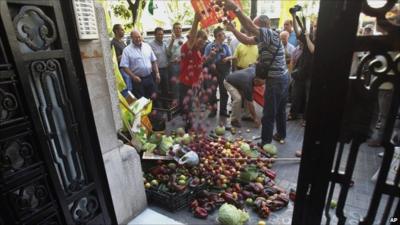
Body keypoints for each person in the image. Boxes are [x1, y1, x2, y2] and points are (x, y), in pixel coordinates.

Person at [223, 0, 289, 145]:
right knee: (281, 110)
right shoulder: (265, 38)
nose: (252, 29)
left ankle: (265, 143)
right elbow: (246, 39)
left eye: (256, 26)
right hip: (283, 77)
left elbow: (249, 26)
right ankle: (281, 134)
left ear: (264, 26)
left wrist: (235, 8)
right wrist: (234, 30)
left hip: (276, 80)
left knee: (269, 113)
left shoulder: (270, 34)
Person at [179, 13, 208, 131]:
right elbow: (191, 38)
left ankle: (188, 125)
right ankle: (188, 129)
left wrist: (200, 76)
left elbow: (199, 65)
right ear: (195, 38)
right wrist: (196, 20)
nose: (203, 44)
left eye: (204, 42)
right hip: (186, 83)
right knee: (187, 107)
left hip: (194, 84)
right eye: (201, 41)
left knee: (190, 106)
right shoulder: (187, 47)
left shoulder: (198, 51)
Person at [120, 30, 160, 99]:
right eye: (135, 37)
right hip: (138, 80)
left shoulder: (147, 46)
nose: (138, 39)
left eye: (139, 37)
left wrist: (157, 73)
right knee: (142, 100)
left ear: (141, 36)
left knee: (153, 97)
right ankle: (147, 110)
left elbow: (154, 60)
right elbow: (124, 66)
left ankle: (154, 109)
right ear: (131, 38)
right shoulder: (127, 50)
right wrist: (133, 76)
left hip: (149, 77)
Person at [204, 26, 232, 118]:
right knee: (212, 92)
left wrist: (228, 58)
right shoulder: (209, 46)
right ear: (217, 36)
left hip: (224, 72)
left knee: (224, 91)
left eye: (224, 34)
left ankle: (223, 111)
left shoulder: (226, 46)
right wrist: (211, 58)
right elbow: (205, 60)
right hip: (212, 72)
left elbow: (230, 57)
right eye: (222, 34)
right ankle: (213, 110)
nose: (224, 36)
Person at [149, 27, 170, 105]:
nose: (161, 36)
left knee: (166, 88)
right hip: (156, 71)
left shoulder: (164, 44)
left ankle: (165, 104)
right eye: (159, 34)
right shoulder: (150, 45)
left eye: (162, 34)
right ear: (155, 35)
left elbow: (168, 54)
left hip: (165, 69)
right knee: (156, 89)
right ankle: (158, 107)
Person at [167, 22, 186, 103]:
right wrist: (172, 41)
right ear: (173, 30)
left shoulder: (185, 39)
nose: (178, 30)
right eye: (176, 28)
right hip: (174, 65)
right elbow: (168, 53)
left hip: (184, 64)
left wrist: (181, 58)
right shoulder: (170, 39)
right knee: (175, 84)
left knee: (184, 83)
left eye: (179, 28)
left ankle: (183, 101)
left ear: (181, 29)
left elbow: (187, 52)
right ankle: (176, 102)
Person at [111, 24, 131, 96]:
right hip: (121, 70)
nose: (124, 31)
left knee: (130, 90)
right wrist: (127, 54)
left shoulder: (122, 42)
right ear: (116, 31)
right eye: (122, 30)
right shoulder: (113, 43)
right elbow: (116, 58)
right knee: (126, 91)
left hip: (127, 69)